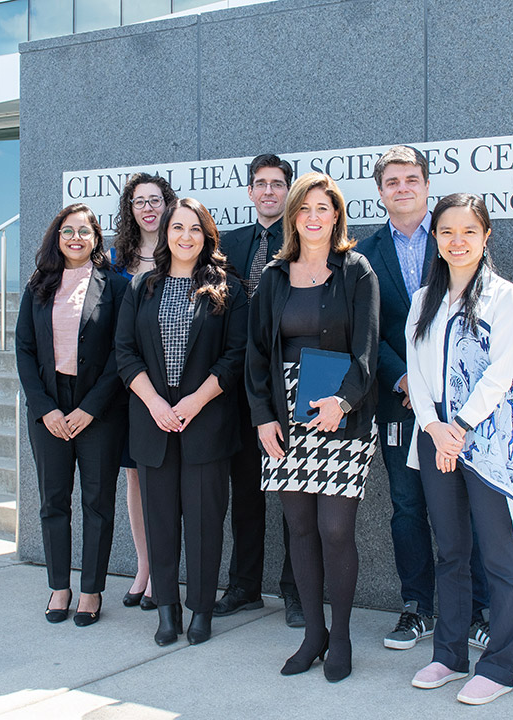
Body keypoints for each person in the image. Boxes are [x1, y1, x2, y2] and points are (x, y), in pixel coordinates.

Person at [246, 172, 379, 683]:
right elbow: (257, 356)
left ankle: (341, 637)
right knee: (299, 528)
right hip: (284, 416)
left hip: (341, 413)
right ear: (293, 217)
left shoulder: (357, 271)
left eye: (324, 208)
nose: (314, 217)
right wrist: (262, 419)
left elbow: (367, 349)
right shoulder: (275, 278)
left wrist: (342, 402)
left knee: (334, 529)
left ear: (336, 216)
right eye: (306, 209)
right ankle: (313, 635)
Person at [357, 145, 491, 652]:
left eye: (412, 178)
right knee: (407, 505)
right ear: (380, 191)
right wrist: (404, 379)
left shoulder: (453, 238)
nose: (403, 188)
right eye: (392, 181)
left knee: (467, 506)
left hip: (461, 407)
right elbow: (368, 332)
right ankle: (417, 607)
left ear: (427, 185)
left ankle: (476, 610)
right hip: (400, 401)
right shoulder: (365, 254)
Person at [404, 193, 513, 705]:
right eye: (447, 233)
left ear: (485, 238)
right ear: (435, 239)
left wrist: (459, 425)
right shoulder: (422, 300)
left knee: (497, 555)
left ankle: (500, 665)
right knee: (450, 551)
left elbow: (501, 371)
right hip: (436, 437)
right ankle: (450, 655)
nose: (457, 242)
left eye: (468, 232)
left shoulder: (503, 296)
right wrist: (434, 426)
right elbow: (416, 372)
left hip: (487, 439)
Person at [115, 197, 248, 647]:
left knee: (206, 522)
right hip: (153, 423)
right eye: (177, 228)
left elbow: (235, 357)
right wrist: (154, 402)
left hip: (206, 424)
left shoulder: (226, 287)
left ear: (206, 235)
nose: (185, 236)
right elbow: (125, 352)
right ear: (166, 234)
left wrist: (195, 401)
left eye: (194, 229)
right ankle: (166, 611)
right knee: (161, 522)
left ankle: (201, 610)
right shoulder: (141, 287)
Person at [15, 203, 128, 627]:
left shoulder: (115, 286)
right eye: (68, 231)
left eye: (84, 231)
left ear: (97, 238)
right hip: (48, 405)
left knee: (97, 502)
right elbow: (24, 349)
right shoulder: (38, 285)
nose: (76, 238)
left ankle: (91, 590)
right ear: (56, 237)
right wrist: (45, 409)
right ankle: (59, 586)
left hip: (98, 407)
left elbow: (122, 353)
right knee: (53, 501)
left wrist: (89, 409)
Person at [215, 153, 302, 627]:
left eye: (277, 183)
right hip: (234, 387)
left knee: (293, 493)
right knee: (245, 491)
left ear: (288, 191)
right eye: (261, 184)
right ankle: (245, 586)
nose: (269, 191)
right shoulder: (228, 245)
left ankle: (295, 590)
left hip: (286, 384)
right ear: (249, 192)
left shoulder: (305, 240)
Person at [111, 173, 178, 611]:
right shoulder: (116, 262)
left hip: (177, 391)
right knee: (135, 476)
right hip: (131, 387)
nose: (149, 208)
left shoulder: (184, 251)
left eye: (156, 200)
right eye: (140, 202)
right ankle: (145, 567)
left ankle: (168, 570)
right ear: (130, 209)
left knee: (172, 479)